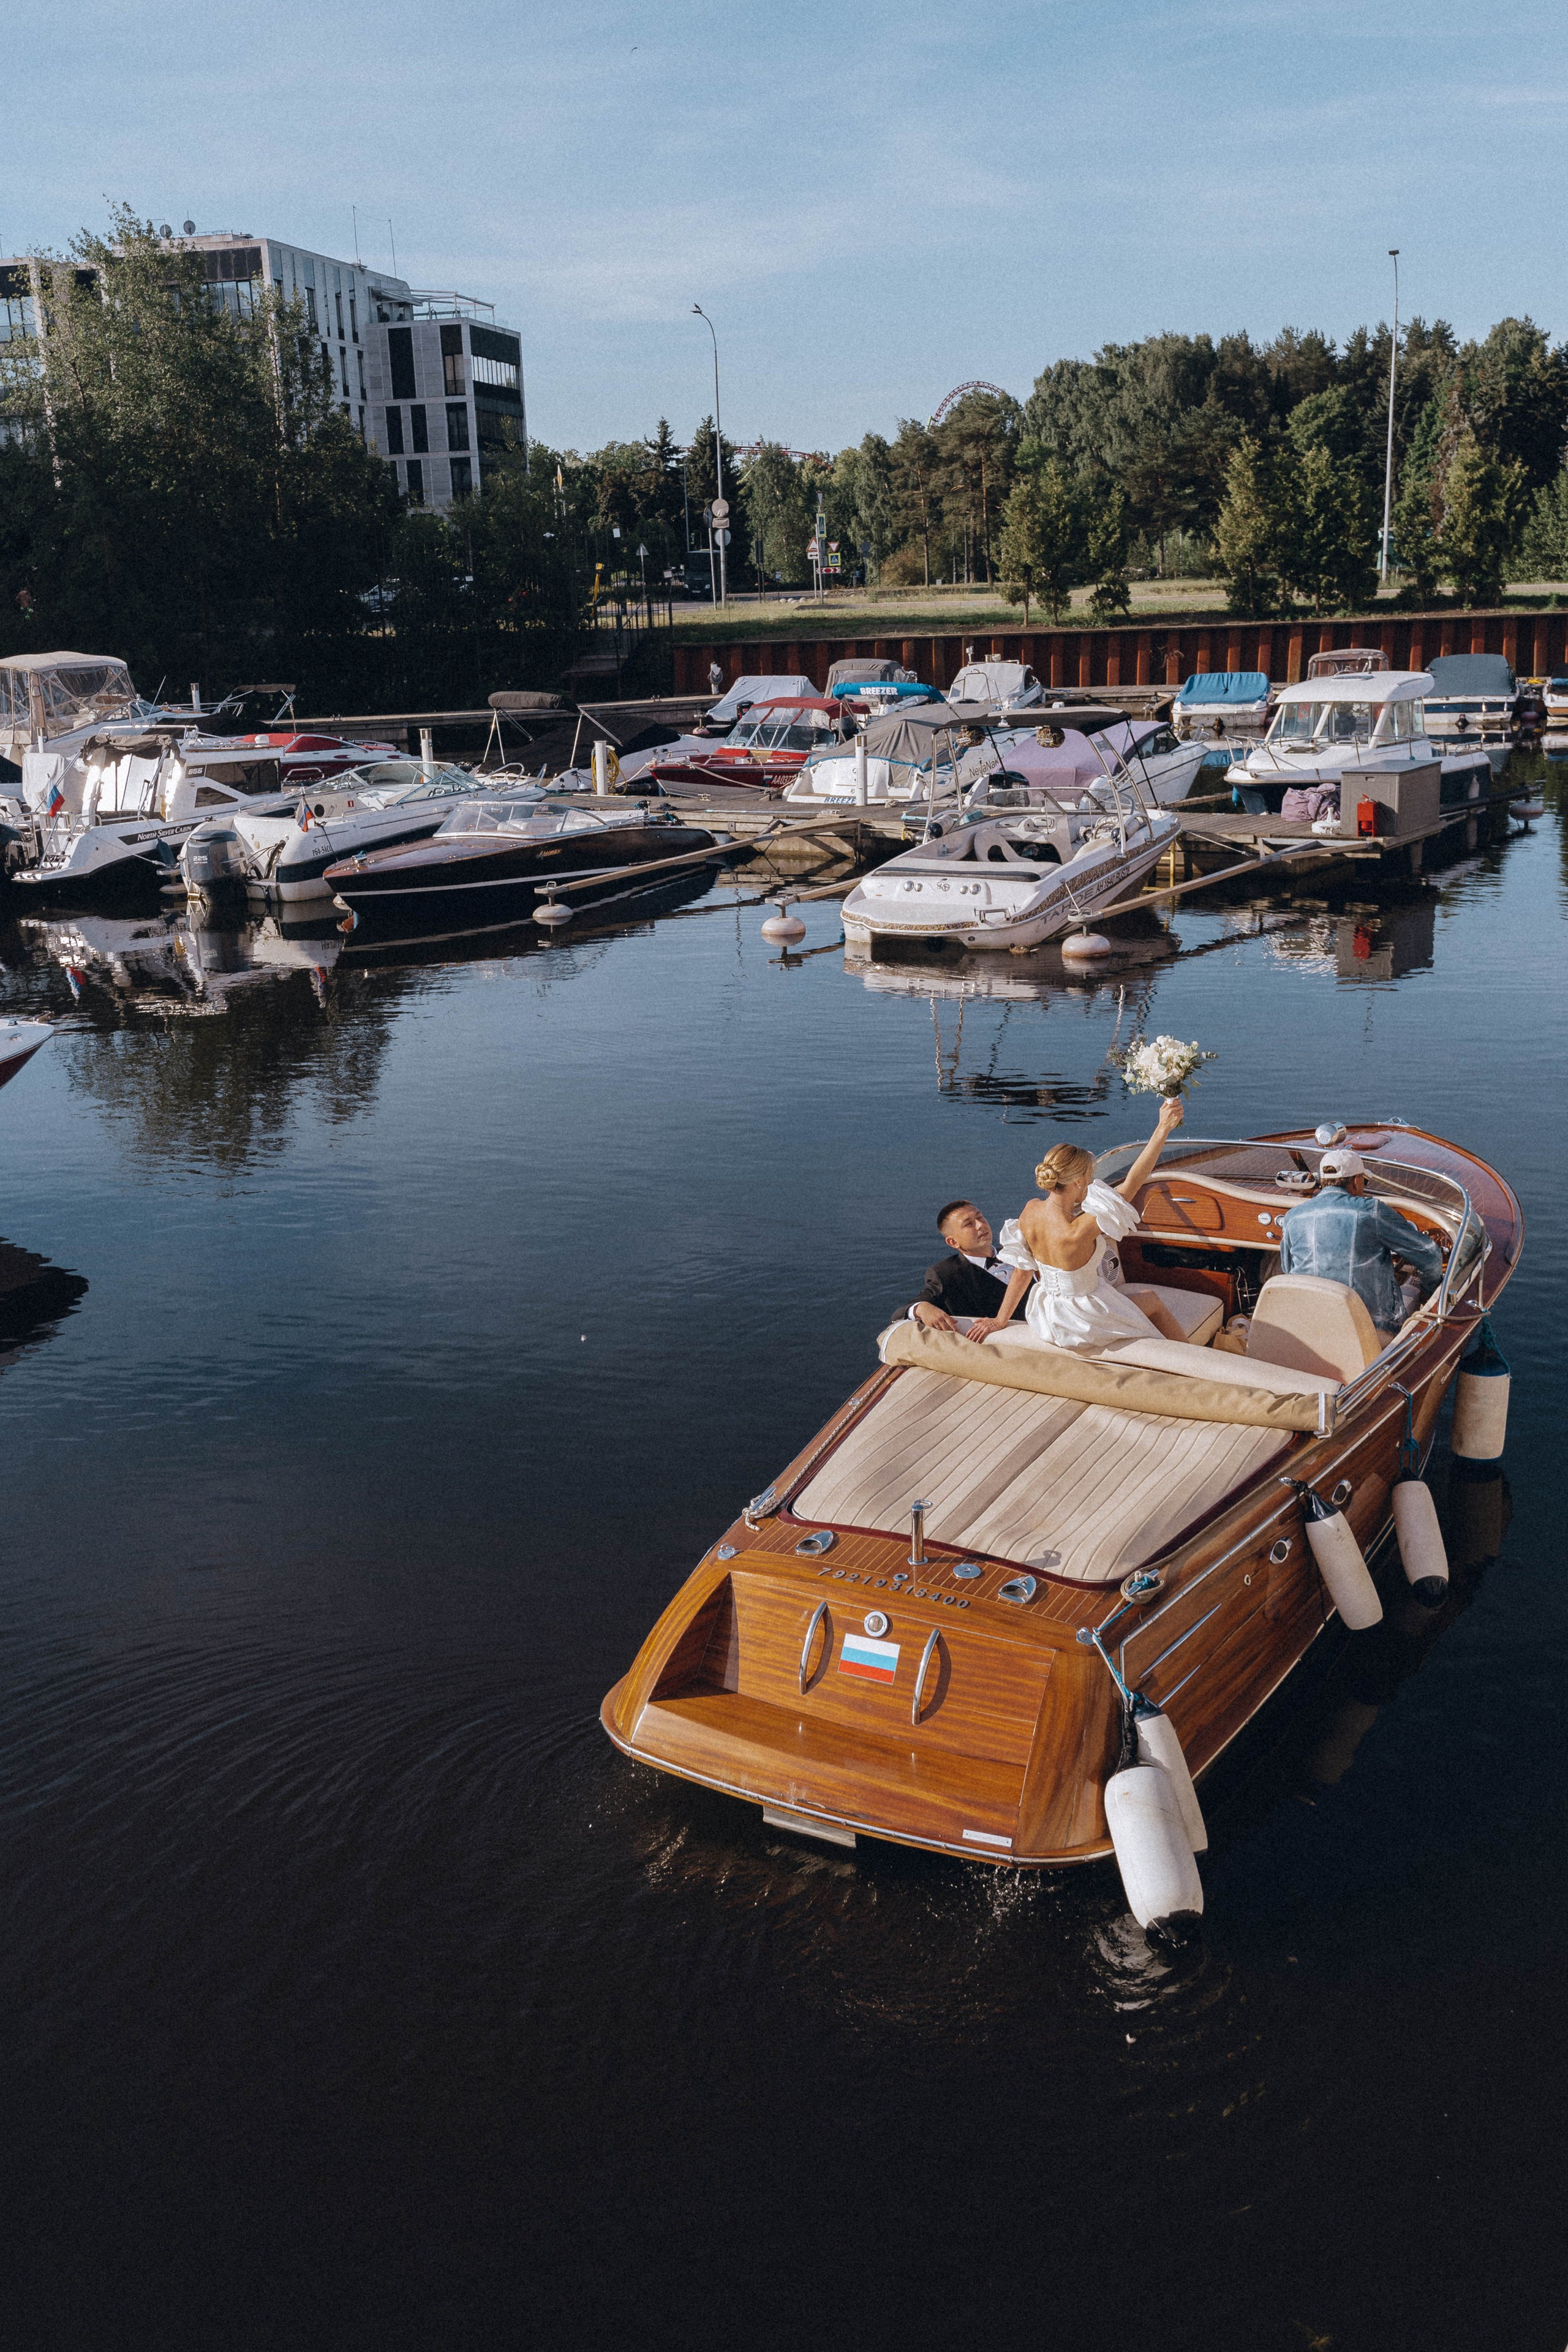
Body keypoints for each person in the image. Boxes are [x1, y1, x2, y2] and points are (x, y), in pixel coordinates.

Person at [971, 1099, 1191, 1350]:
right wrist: (1163, 1128)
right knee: (1151, 1300)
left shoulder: (1030, 1210)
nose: (1091, 1182)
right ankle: (1195, 1361)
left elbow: (1023, 1272)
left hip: (1048, 1313)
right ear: (1077, 1181)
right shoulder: (1078, 1230)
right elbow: (1132, 1183)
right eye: (1089, 1177)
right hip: (1084, 1317)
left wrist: (1001, 1320)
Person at [1278, 1148, 1444, 1334]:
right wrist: (1430, 1289)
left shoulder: (1293, 1217)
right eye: (1365, 1181)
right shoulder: (1372, 1212)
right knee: (1412, 1288)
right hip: (1370, 1330)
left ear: (1323, 1182)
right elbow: (1431, 1257)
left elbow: (1288, 1269)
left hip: (1311, 1325)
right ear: (1356, 1181)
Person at [908, 1202, 1025, 1331]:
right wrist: (922, 1308)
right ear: (953, 1242)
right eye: (969, 1224)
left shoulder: (1018, 1252)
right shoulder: (946, 1274)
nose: (981, 1225)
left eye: (980, 1217)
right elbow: (912, 1306)